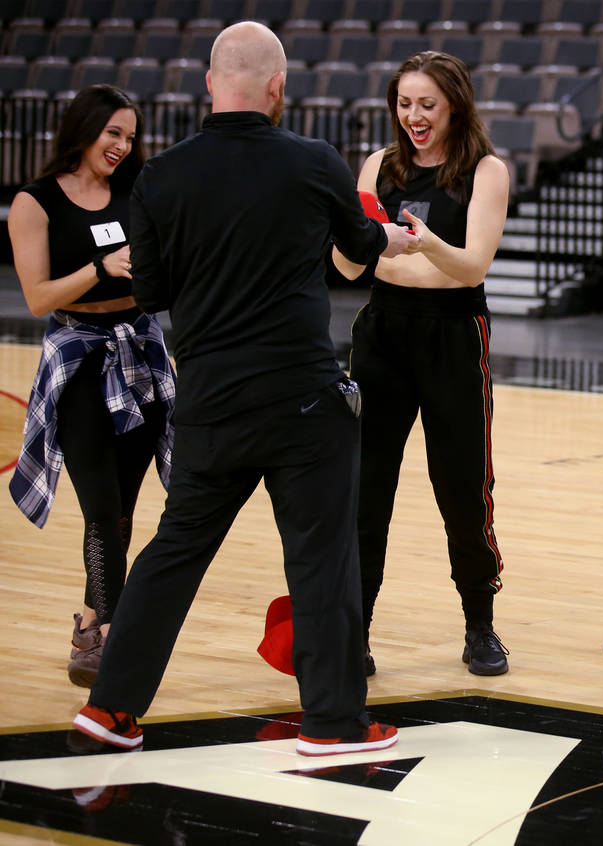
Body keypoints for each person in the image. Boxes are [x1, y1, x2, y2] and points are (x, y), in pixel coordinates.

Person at [71, 21, 417, 754]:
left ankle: (111, 708)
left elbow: (153, 290)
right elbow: (359, 249)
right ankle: (332, 725)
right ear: (277, 87)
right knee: (322, 558)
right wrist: (392, 237)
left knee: (172, 553)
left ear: (208, 85)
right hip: (302, 401)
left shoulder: (160, 177)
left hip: (209, 404)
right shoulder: (312, 159)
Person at [332, 51, 511, 676]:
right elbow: (351, 267)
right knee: (365, 491)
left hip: (455, 334)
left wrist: (420, 241)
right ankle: (355, 634)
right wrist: (348, 233)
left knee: (462, 487)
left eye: (426, 104)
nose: (413, 115)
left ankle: (480, 626)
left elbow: (472, 267)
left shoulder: (486, 172)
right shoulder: (377, 167)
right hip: (382, 333)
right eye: (404, 104)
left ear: (454, 105)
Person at [7, 84, 175, 689]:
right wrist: (100, 269)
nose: (122, 147)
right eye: (113, 134)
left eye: (130, 138)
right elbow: (36, 298)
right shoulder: (36, 202)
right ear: (84, 129)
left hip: (138, 353)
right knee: (101, 507)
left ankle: (91, 622)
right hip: (78, 363)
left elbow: (159, 276)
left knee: (122, 513)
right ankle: (105, 632)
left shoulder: (139, 192)